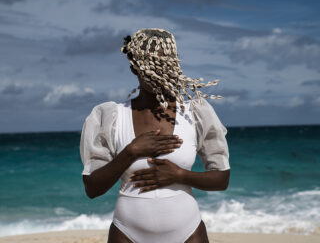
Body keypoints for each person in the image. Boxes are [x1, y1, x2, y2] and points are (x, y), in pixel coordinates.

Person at [80, 28, 230, 243]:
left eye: (165, 67)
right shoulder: (110, 117)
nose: (160, 76)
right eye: (152, 69)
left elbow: (222, 179)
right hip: (127, 232)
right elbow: (93, 188)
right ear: (134, 68)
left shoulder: (195, 113)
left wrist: (180, 176)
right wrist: (131, 152)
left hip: (188, 232)